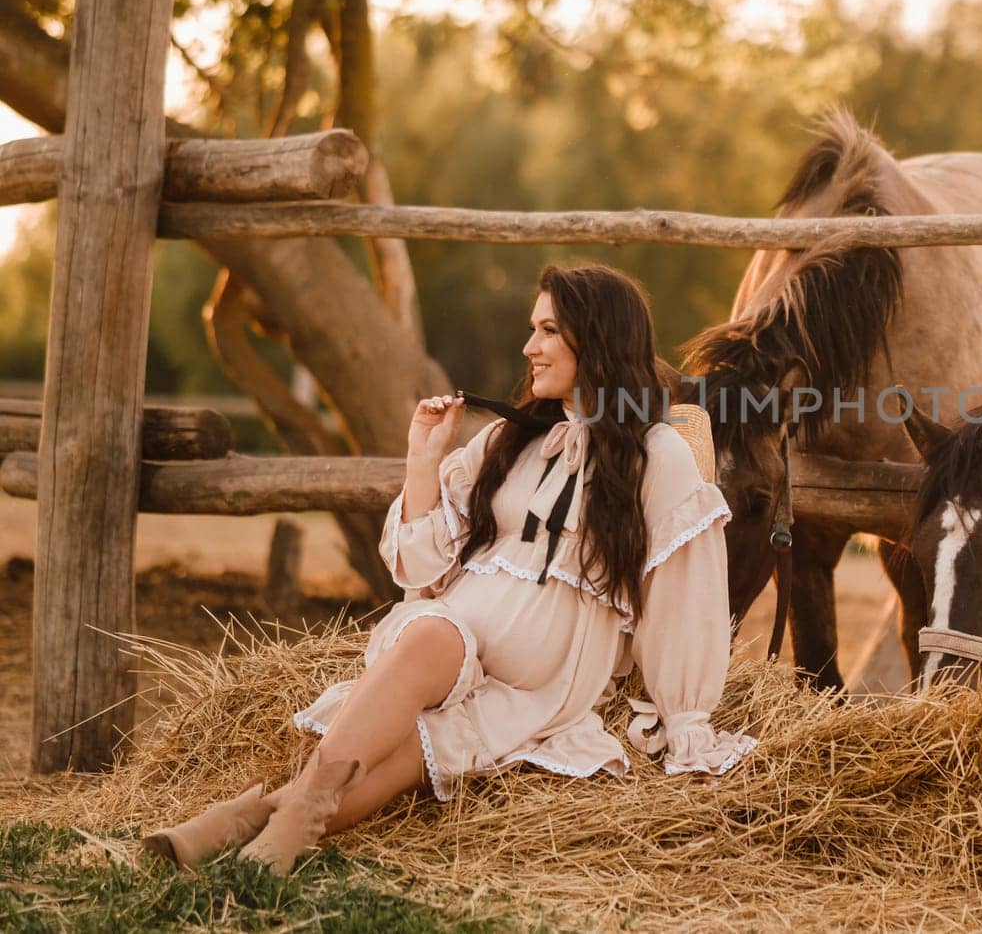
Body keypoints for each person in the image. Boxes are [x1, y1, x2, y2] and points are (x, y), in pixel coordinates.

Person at [143, 264, 754, 873]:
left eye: (547, 331)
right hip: (454, 642)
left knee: (425, 717)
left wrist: (684, 718)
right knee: (425, 680)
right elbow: (421, 564)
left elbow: (684, 595)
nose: (529, 348)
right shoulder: (510, 441)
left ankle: (248, 821)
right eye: (532, 329)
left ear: (594, 340)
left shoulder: (659, 454)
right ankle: (275, 830)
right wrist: (422, 462)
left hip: (545, 681)